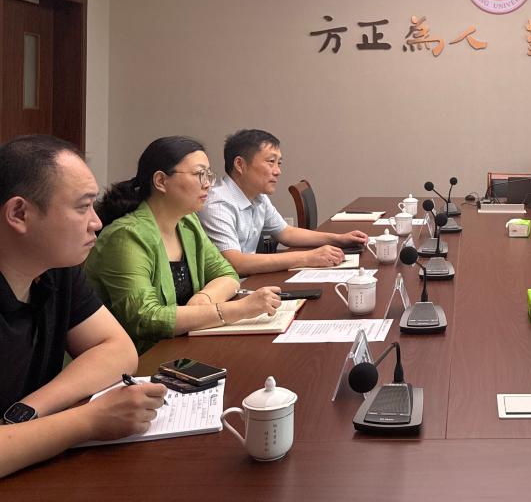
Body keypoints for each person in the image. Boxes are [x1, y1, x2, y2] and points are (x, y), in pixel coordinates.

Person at [0, 135, 166, 477]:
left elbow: (117, 349)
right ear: (19, 213)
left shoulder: (55, 269)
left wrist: (28, 410)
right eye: (82, 207)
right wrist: (87, 421)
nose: (97, 222)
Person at [85, 136, 281, 353]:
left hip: (181, 347)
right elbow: (146, 318)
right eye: (199, 174)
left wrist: (203, 299)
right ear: (161, 181)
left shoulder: (187, 223)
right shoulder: (125, 237)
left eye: (208, 175)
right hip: (138, 359)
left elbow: (227, 273)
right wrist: (238, 309)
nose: (208, 183)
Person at [198, 129, 368, 276]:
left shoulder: (258, 197)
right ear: (240, 164)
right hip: (228, 289)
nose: (278, 171)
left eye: (279, 163)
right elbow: (235, 264)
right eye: (271, 162)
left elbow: (286, 233)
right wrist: (307, 257)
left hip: (250, 280)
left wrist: (338, 239)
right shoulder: (218, 204)